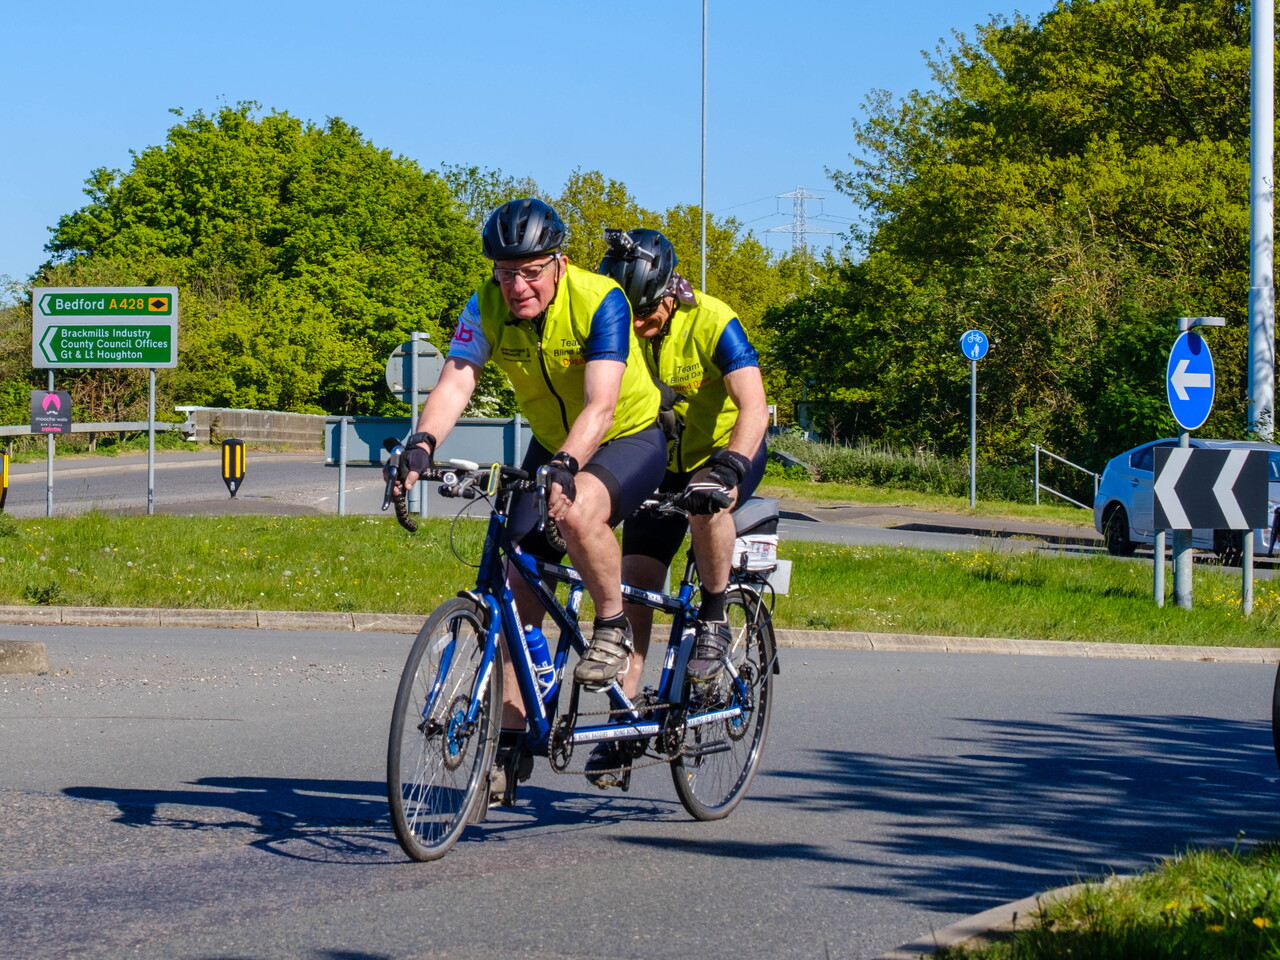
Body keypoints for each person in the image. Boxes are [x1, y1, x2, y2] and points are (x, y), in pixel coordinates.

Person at [390, 199, 668, 798]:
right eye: (504, 271)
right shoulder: (485, 303)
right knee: (515, 588)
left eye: (531, 271)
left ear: (559, 263)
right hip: (552, 441)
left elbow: (601, 404)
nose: (516, 285)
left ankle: (612, 625)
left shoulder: (601, 300)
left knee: (581, 511)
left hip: (627, 437)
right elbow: (459, 376)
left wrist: (568, 466)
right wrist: (422, 444)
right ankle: (511, 743)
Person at [588, 227, 769, 787]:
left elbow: (754, 405)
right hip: (657, 457)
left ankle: (713, 618)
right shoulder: (615, 323)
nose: (636, 325)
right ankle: (627, 724)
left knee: (705, 506)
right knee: (635, 583)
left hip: (724, 447)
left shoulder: (714, 319)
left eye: (645, 314)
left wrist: (730, 467)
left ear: (670, 295)